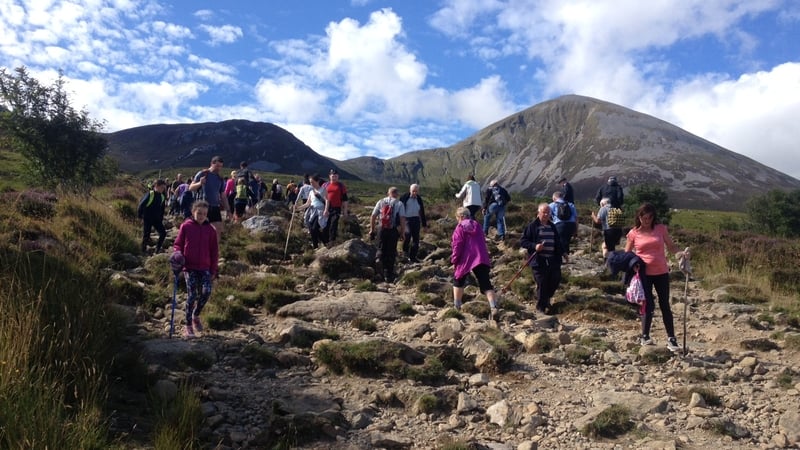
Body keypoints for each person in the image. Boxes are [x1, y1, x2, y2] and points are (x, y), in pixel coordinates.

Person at [624, 203, 685, 351]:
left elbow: (671, 246)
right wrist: (633, 263)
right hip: (644, 274)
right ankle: (645, 336)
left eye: (649, 217)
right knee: (647, 305)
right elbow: (627, 253)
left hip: (661, 272)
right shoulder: (633, 233)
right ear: (639, 217)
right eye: (644, 217)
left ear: (653, 217)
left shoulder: (660, 229)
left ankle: (672, 338)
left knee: (665, 305)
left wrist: (680, 254)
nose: (647, 220)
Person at [172, 200, 219, 338]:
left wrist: (213, 270)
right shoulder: (185, 226)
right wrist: (177, 254)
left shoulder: (210, 230)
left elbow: (214, 251)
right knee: (192, 295)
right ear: (193, 212)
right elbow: (178, 244)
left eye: (204, 214)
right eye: (199, 213)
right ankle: (188, 325)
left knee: (206, 292)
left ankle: (195, 315)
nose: (201, 216)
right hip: (189, 267)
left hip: (205, 267)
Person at [450, 206, 501, 319]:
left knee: (458, 280)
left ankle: (457, 306)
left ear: (461, 217)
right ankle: (493, 306)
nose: (457, 219)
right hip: (481, 257)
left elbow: (457, 245)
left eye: (457, 217)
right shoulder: (477, 225)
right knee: (486, 284)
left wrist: (454, 259)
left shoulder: (460, 227)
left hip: (466, 258)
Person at [520, 203, 566, 314]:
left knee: (555, 279)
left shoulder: (552, 226)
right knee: (542, 282)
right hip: (538, 260)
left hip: (553, 259)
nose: (546, 214)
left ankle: (546, 299)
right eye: (544, 212)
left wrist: (564, 253)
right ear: (538, 213)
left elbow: (557, 242)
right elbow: (523, 241)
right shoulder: (532, 226)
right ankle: (540, 308)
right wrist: (534, 246)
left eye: (548, 212)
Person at [189, 155, 229, 248]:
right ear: (212, 164)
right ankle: (196, 248)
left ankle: (214, 251)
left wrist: (228, 210)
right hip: (202, 206)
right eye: (217, 166)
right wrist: (200, 183)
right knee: (199, 229)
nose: (219, 168)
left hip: (215, 206)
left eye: (220, 166)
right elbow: (191, 188)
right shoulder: (202, 174)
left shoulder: (220, 178)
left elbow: (223, 195)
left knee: (218, 229)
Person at [369, 187, 406, 282]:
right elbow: (402, 219)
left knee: (381, 248)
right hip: (393, 230)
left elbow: (373, 216)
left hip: (381, 229)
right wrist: (402, 233)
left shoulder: (381, 201)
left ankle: (378, 265)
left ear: (388, 193)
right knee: (391, 251)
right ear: (397, 194)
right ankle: (388, 275)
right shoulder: (399, 203)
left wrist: (372, 230)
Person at [298, 174, 329, 249]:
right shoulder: (311, 192)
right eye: (310, 182)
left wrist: (326, 210)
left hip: (319, 211)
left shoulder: (323, 190)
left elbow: (327, 200)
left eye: (312, 182)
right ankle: (320, 243)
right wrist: (298, 208)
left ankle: (320, 244)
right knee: (311, 228)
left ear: (317, 181)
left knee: (314, 228)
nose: (311, 184)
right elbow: (308, 203)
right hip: (311, 211)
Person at [137, 179, 168, 254]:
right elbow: (141, 205)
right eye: (162, 187)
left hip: (156, 219)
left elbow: (162, 209)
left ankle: (157, 249)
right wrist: (140, 216)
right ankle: (143, 251)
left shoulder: (162, 196)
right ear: (156, 186)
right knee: (146, 235)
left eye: (164, 188)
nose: (163, 189)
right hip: (147, 218)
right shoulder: (150, 194)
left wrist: (161, 219)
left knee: (163, 233)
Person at [398, 183, 427, 263]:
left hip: (416, 220)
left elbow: (422, 212)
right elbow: (399, 210)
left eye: (416, 191)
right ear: (410, 190)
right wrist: (398, 223)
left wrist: (424, 225)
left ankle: (413, 257)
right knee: (407, 235)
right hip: (406, 219)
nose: (415, 193)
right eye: (413, 191)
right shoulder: (404, 197)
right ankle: (405, 254)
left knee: (416, 239)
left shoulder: (419, 199)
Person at [322, 169, 348, 243]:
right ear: (329, 176)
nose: (334, 177)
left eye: (336, 176)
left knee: (334, 224)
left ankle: (332, 241)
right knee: (326, 225)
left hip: (336, 208)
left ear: (338, 176)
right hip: (326, 208)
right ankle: (325, 241)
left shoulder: (341, 186)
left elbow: (345, 199)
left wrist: (345, 211)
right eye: (333, 176)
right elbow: (321, 196)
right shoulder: (325, 185)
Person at [549, 190, 577, 259]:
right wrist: (576, 230)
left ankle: (560, 258)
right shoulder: (570, 204)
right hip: (571, 225)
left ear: (554, 198)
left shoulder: (552, 205)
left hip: (559, 225)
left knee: (558, 241)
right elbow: (576, 218)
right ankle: (566, 257)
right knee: (566, 241)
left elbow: (547, 216)